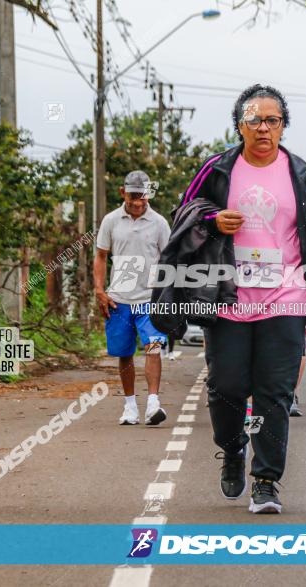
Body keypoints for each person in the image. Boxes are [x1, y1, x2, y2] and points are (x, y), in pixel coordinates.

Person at [177, 84, 306, 514]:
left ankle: (267, 480)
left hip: (286, 297)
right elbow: (185, 214)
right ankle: (233, 449)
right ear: (239, 125)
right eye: (254, 119)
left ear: (283, 126)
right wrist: (215, 220)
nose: (264, 127)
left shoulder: (303, 174)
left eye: (272, 120)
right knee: (227, 385)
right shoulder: (217, 170)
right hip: (228, 296)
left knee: (274, 392)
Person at [94, 170, 171, 426]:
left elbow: (169, 259)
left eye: (143, 196)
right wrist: (99, 291)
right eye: (134, 195)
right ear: (122, 192)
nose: (138, 201)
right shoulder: (111, 221)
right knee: (124, 353)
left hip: (150, 299)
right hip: (119, 299)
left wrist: (168, 294)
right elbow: (101, 256)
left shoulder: (159, 223)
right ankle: (130, 406)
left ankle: (152, 403)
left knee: (153, 347)